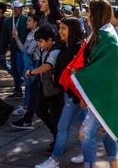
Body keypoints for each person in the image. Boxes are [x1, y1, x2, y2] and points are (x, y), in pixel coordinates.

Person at [74, 0, 118, 168]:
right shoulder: (103, 33)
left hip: (104, 94)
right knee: (107, 130)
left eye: (89, 12)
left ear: (95, 14)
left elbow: (102, 68)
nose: (87, 15)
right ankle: (114, 164)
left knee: (86, 133)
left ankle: (90, 165)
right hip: (104, 92)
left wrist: (80, 76)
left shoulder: (106, 37)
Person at [36, 17, 85, 168]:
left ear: (73, 30)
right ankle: (86, 153)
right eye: (60, 28)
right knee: (84, 127)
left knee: (63, 127)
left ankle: (55, 160)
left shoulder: (78, 48)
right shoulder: (64, 45)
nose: (60, 31)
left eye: (64, 28)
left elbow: (81, 73)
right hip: (69, 94)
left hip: (76, 97)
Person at [23, 24, 64, 154]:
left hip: (55, 91)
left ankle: (58, 142)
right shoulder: (46, 49)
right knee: (40, 110)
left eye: (41, 41)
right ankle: (56, 136)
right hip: (45, 88)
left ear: (50, 40)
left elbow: (47, 66)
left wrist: (32, 72)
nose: (39, 44)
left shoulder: (56, 50)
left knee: (56, 117)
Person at [10, 12, 41, 119]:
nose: (27, 22)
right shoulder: (30, 34)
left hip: (35, 62)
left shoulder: (37, 34)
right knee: (30, 85)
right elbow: (24, 49)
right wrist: (17, 38)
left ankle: (26, 106)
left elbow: (28, 51)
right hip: (32, 61)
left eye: (29, 20)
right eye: (27, 20)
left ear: (35, 22)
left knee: (29, 85)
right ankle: (28, 105)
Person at [0, 1, 28, 99]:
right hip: (13, 50)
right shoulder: (7, 21)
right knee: (15, 72)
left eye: (21, 7)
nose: (20, 9)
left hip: (23, 50)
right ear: (13, 9)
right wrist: (2, 51)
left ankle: (28, 94)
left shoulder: (25, 19)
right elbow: (4, 37)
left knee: (23, 71)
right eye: (17, 7)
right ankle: (18, 91)